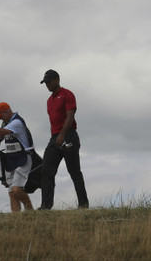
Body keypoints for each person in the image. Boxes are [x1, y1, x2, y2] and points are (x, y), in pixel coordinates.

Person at [39, 69, 89, 209]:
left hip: (68, 135)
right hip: (55, 138)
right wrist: (57, 136)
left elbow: (70, 115)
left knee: (74, 171)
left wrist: (62, 134)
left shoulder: (67, 94)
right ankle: (45, 206)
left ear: (57, 79)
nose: (47, 85)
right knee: (46, 169)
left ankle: (83, 204)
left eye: (49, 81)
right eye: (45, 83)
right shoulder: (49, 100)